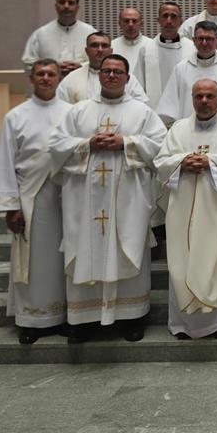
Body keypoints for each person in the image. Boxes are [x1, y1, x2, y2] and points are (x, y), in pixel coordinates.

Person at [51, 54, 167, 342]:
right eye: (107, 71)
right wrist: (87, 144)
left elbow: (161, 147)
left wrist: (125, 143)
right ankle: (83, 320)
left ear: (127, 77)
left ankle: (132, 317)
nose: (112, 76)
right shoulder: (79, 111)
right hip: (84, 201)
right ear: (99, 75)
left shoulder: (142, 112)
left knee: (127, 248)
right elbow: (56, 146)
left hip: (128, 201)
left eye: (117, 72)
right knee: (85, 249)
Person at [153, 79, 217, 340]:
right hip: (183, 211)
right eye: (199, 96)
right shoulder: (178, 130)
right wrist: (181, 163)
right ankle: (185, 323)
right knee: (183, 262)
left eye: (209, 96)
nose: (204, 101)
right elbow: (161, 162)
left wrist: (212, 162)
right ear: (192, 99)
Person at [0, 59, 71, 344]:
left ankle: (64, 316)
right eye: (40, 74)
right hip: (30, 198)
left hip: (65, 196)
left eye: (51, 74)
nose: (46, 78)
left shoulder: (72, 113)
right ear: (31, 78)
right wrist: (11, 206)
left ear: (59, 78)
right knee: (33, 261)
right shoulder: (16, 116)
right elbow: (6, 162)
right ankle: (31, 321)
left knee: (63, 258)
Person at [157, 22, 217, 123]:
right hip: (189, 130)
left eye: (209, 39)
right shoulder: (181, 69)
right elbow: (169, 106)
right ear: (194, 40)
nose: (204, 43)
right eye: (201, 38)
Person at [56, 32, 147, 105]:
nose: (100, 50)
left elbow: (141, 106)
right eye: (94, 45)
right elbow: (61, 106)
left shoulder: (125, 76)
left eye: (104, 46)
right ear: (86, 50)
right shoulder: (72, 78)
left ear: (111, 50)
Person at [21, 0, 95, 74]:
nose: (66, 6)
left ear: (77, 7)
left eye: (71, 3)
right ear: (56, 6)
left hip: (82, 80)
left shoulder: (90, 32)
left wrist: (82, 66)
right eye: (62, 2)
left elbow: (101, 60)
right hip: (51, 82)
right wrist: (51, 68)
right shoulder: (41, 34)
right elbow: (28, 62)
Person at [149, 2, 196, 108]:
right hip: (154, 109)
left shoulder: (192, 48)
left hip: (184, 107)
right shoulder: (146, 49)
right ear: (158, 20)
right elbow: (139, 84)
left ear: (181, 21)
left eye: (173, 16)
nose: (169, 21)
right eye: (165, 16)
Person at [112, 6, 160, 96]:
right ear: (119, 24)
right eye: (126, 21)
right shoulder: (111, 46)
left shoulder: (152, 46)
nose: (130, 24)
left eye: (134, 21)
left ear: (141, 23)